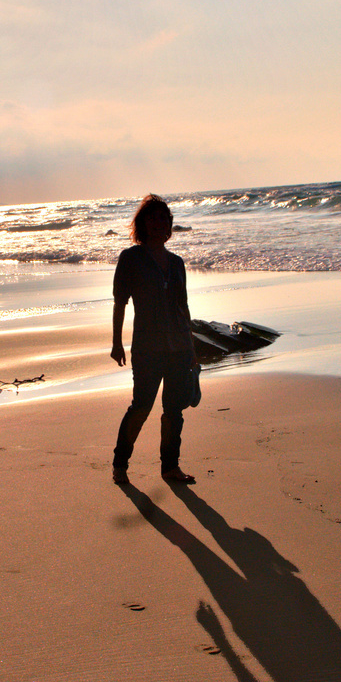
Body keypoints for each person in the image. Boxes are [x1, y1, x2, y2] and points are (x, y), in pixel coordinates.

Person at [110, 194, 200, 485]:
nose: (158, 223)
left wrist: (192, 347)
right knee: (141, 406)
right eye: (152, 217)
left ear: (169, 224)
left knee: (174, 410)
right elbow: (120, 302)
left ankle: (170, 468)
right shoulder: (131, 258)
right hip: (147, 347)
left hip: (177, 348)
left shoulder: (177, 263)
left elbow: (183, 307)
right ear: (143, 223)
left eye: (163, 217)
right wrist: (116, 342)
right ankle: (120, 464)